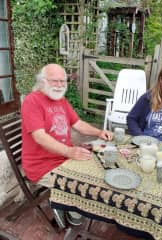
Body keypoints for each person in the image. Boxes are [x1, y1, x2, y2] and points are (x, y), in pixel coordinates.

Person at [21, 63, 113, 228]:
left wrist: (99, 132)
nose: (59, 85)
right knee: (83, 180)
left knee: (97, 166)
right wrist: (69, 151)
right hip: (41, 165)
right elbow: (40, 137)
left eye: (62, 81)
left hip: (63, 158)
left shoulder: (61, 100)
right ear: (42, 81)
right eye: (54, 81)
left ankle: (66, 202)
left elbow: (78, 123)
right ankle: (63, 204)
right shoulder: (32, 101)